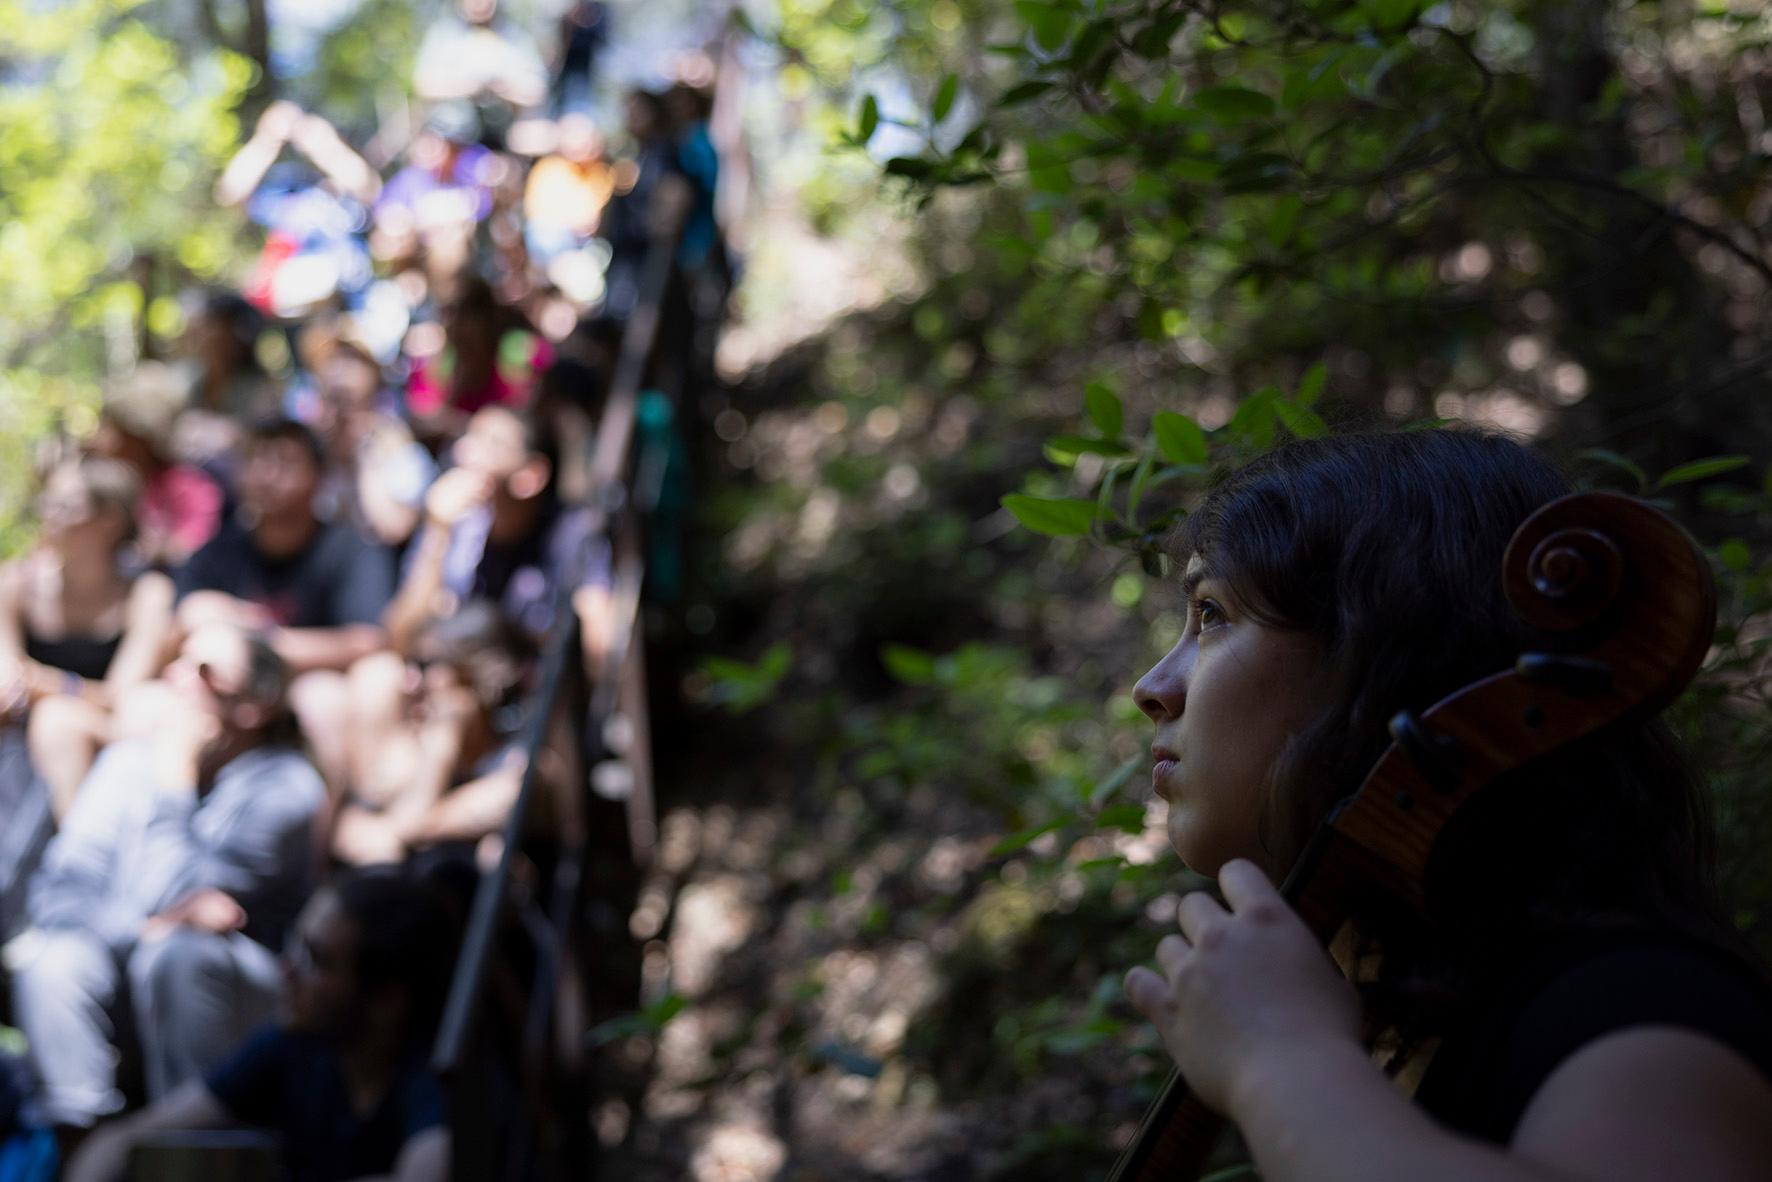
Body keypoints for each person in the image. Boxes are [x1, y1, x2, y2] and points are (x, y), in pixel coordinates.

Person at [1122, 429, 1772, 1180]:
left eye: (1211, 615)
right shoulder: (1399, 1031)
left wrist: (1281, 1060)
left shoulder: (1640, 1011)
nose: (1152, 687)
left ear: (1387, 657)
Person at [7, 623, 326, 1143]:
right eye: (176, 662)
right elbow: (62, 890)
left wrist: (176, 779)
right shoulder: (128, 762)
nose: (177, 679)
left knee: (179, 955)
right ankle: (80, 1138)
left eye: (202, 671)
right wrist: (141, 927)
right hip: (128, 959)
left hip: (239, 990)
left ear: (254, 706)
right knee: (51, 959)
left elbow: (174, 894)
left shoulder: (286, 788)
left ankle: (188, 1144)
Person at [63, 867, 456, 1182]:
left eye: (318, 961)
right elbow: (124, 1138)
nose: (288, 971)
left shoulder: (433, 1077)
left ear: (388, 998)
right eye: (296, 946)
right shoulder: (291, 1045)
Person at [175, 417, 396, 788]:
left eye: (285, 461)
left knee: (323, 702)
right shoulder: (218, 550)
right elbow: (183, 618)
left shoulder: (350, 548)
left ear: (318, 477)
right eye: (258, 460)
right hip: (224, 685)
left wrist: (264, 642)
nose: (267, 473)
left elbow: (369, 639)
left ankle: (330, 834)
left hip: (308, 685)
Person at [0, 457, 175, 819]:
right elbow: (7, 678)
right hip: (18, 729)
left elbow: (120, 697)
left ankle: (72, 858)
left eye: (64, 506)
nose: (49, 514)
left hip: (103, 733)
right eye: (47, 502)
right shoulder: (15, 585)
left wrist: (45, 685)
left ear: (110, 520)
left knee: (57, 721)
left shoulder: (146, 594)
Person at [332, 601, 531, 868]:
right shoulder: (412, 743)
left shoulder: (518, 761)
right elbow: (351, 830)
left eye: (425, 665)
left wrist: (444, 740)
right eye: (409, 664)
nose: (409, 683)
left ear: (476, 676)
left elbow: (408, 829)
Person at [89, 363, 223, 570]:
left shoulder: (187, 486)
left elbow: (195, 542)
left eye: (112, 428)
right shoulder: (113, 490)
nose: (100, 440)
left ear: (138, 437)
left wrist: (153, 550)